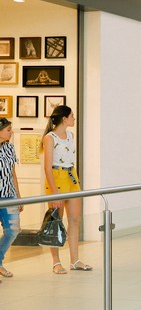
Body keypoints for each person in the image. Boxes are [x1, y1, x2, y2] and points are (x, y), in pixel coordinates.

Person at [40, 106, 91, 273]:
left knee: (75, 219)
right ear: (64, 118)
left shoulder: (71, 135)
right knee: (55, 221)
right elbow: (47, 167)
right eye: (72, 116)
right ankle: (56, 262)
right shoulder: (50, 138)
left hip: (71, 175)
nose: (74, 118)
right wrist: (54, 192)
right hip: (56, 177)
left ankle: (75, 260)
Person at [0, 117, 22, 278]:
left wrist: (19, 197)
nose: (11, 132)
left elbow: (13, 173)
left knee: (13, 230)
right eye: (8, 130)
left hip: (9, 195)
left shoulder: (10, 148)